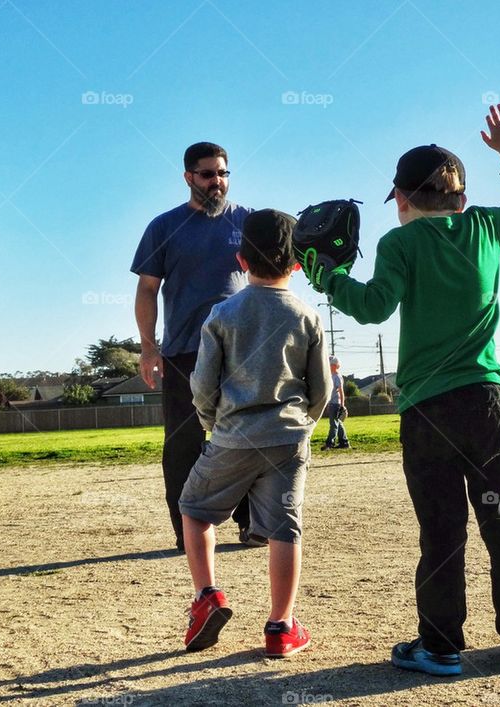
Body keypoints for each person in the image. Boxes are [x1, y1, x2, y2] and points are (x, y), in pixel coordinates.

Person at [303, 105, 500, 674]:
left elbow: (371, 308)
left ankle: (440, 647)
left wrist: (328, 277)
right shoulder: (486, 225)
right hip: (487, 402)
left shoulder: (400, 245)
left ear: (401, 200)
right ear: (461, 199)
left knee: (442, 529)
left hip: (428, 409)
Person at [178, 209, 331, 657]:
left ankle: (207, 596)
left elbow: (203, 383)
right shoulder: (306, 315)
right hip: (287, 437)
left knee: (195, 509)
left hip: (232, 434)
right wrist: (303, 425)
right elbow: (320, 387)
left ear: (241, 260)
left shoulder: (222, 313)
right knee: (285, 528)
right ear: (298, 262)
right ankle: (281, 627)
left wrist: (211, 422)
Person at [132, 142, 257, 551]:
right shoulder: (164, 227)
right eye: (207, 174)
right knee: (184, 443)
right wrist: (149, 348)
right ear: (188, 176)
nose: (216, 181)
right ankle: (187, 530)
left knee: (246, 435)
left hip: (242, 350)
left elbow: (274, 277)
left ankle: (251, 523)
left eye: (222, 173)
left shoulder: (248, 222)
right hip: (185, 350)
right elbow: (147, 289)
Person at [321, 355, 350, 450]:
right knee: (338, 423)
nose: (328, 366)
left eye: (330, 364)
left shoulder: (337, 376)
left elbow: (341, 391)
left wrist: (342, 405)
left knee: (333, 424)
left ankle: (329, 443)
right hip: (332, 403)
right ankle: (344, 443)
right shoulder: (331, 376)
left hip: (336, 403)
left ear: (335, 365)